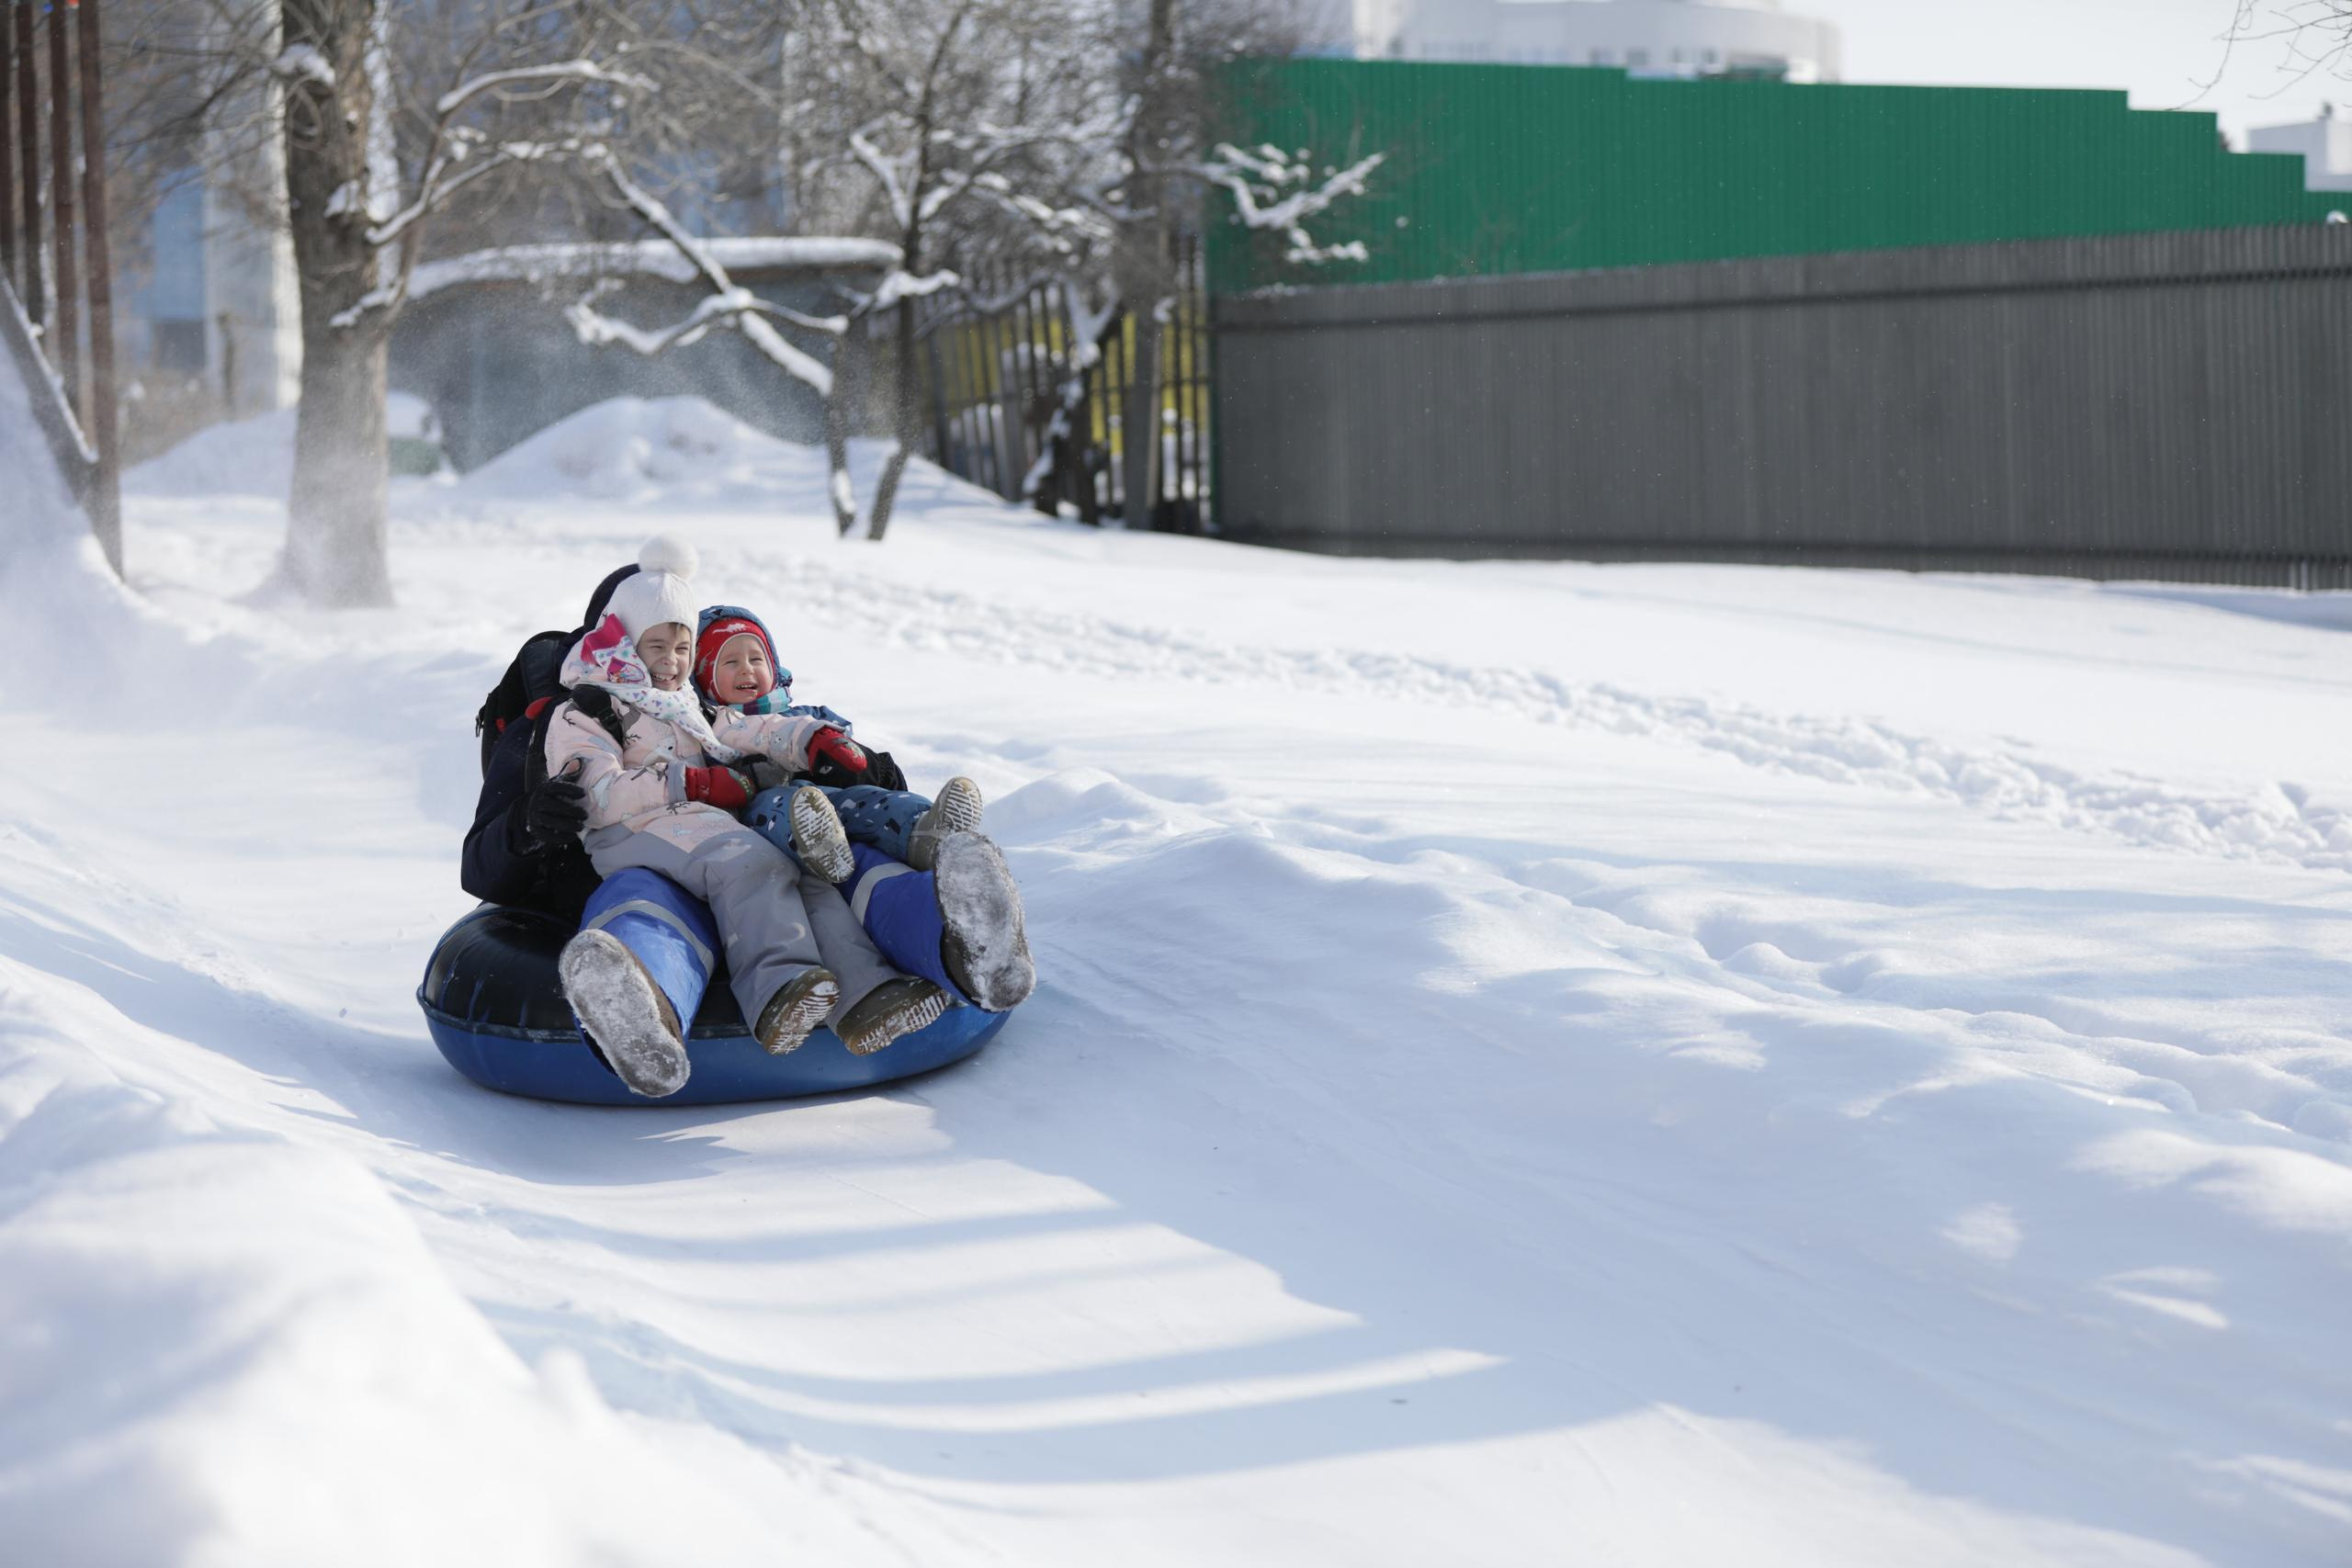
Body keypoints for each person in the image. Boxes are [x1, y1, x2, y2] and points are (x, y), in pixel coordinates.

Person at [546, 536, 948, 1097]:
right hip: (627, 832)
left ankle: (863, 995)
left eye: (682, 647)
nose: (671, 660)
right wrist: (694, 782)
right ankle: (777, 992)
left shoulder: (685, 701)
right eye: (656, 645)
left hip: (690, 820)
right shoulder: (589, 706)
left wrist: (811, 740)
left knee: (804, 867)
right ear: (626, 642)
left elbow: (747, 729)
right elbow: (597, 795)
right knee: (752, 862)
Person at [694, 604, 1035, 1012]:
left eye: (756, 658)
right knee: (780, 805)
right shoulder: (709, 733)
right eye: (729, 662)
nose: (746, 670)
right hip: (772, 831)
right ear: (703, 679)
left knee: (873, 805)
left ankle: (925, 830)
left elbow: (867, 768)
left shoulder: (808, 716)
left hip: (840, 814)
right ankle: (815, 843)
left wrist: (854, 761)